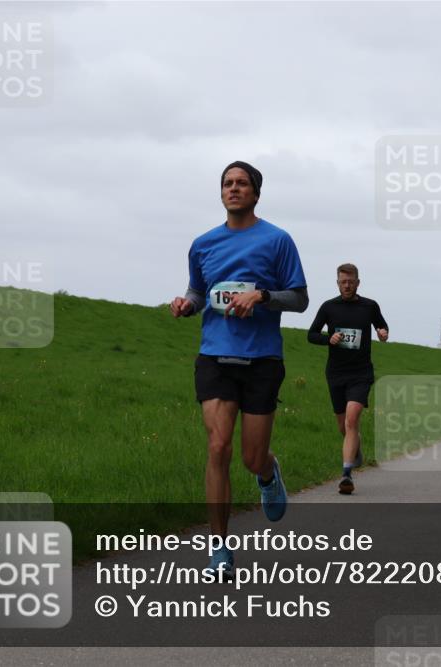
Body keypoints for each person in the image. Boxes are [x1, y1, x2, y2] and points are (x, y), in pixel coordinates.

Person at [171, 160, 308, 577]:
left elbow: (299, 298)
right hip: (215, 356)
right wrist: (187, 304)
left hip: (262, 359)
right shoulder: (203, 244)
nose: (233, 188)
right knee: (218, 447)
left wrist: (262, 297)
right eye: (227, 183)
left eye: (242, 183)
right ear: (221, 192)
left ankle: (267, 472)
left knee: (251, 458)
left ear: (256, 193)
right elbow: (199, 291)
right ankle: (219, 549)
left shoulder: (278, 240)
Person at [307, 263, 389, 495]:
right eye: (343, 282)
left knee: (352, 420)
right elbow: (311, 335)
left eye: (351, 282)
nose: (347, 286)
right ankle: (355, 448)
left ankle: (346, 474)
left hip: (361, 373)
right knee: (343, 426)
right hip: (336, 372)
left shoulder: (369, 306)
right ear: (337, 283)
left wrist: (383, 333)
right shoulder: (328, 307)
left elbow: (382, 326)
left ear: (358, 283)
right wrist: (328, 339)